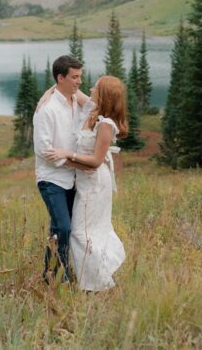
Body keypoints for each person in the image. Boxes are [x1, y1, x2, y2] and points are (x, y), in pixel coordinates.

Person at [44, 75, 126, 292]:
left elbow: (96, 161)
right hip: (85, 180)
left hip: (95, 184)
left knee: (82, 232)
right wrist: (46, 96)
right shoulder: (92, 110)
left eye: (96, 87)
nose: (89, 88)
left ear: (104, 94)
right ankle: (91, 280)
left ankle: (94, 283)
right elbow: (68, 89)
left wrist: (66, 154)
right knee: (86, 232)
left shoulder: (106, 124)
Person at [33, 54, 85, 283]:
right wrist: (78, 162)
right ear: (60, 78)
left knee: (62, 228)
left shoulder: (77, 101)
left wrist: (76, 164)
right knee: (63, 227)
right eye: (74, 77)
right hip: (52, 178)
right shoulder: (46, 109)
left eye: (80, 77)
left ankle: (50, 273)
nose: (79, 81)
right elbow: (44, 151)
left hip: (74, 178)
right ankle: (63, 276)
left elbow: (98, 106)